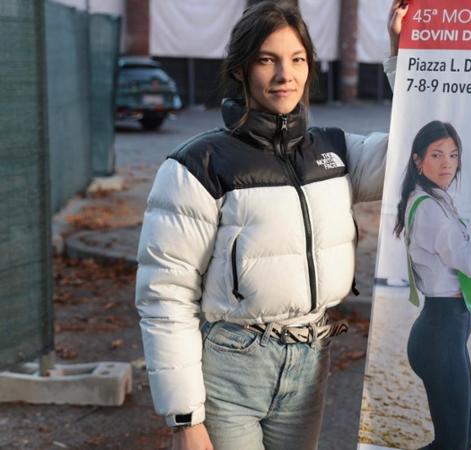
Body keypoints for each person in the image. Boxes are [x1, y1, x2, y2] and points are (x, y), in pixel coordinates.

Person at [135, 1, 409, 449]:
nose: (285, 75)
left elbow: (419, 153)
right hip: (230, 367)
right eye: (267, 60)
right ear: (240, 70)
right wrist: (185, 419)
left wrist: (404, 56)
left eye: (297, 59)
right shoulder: (198, 165)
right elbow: (165, 295)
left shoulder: (336, 151)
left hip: (310, 361)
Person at [394, 120, 471, 449]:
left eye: (453, 154)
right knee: (453, 444)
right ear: (418, 160)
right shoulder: (430, 209)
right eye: (437, 155)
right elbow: (468, 263)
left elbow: (461, 268)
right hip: (441, 332)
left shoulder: (436, 202)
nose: (447, 163)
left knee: (462, 439)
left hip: (448, 331)